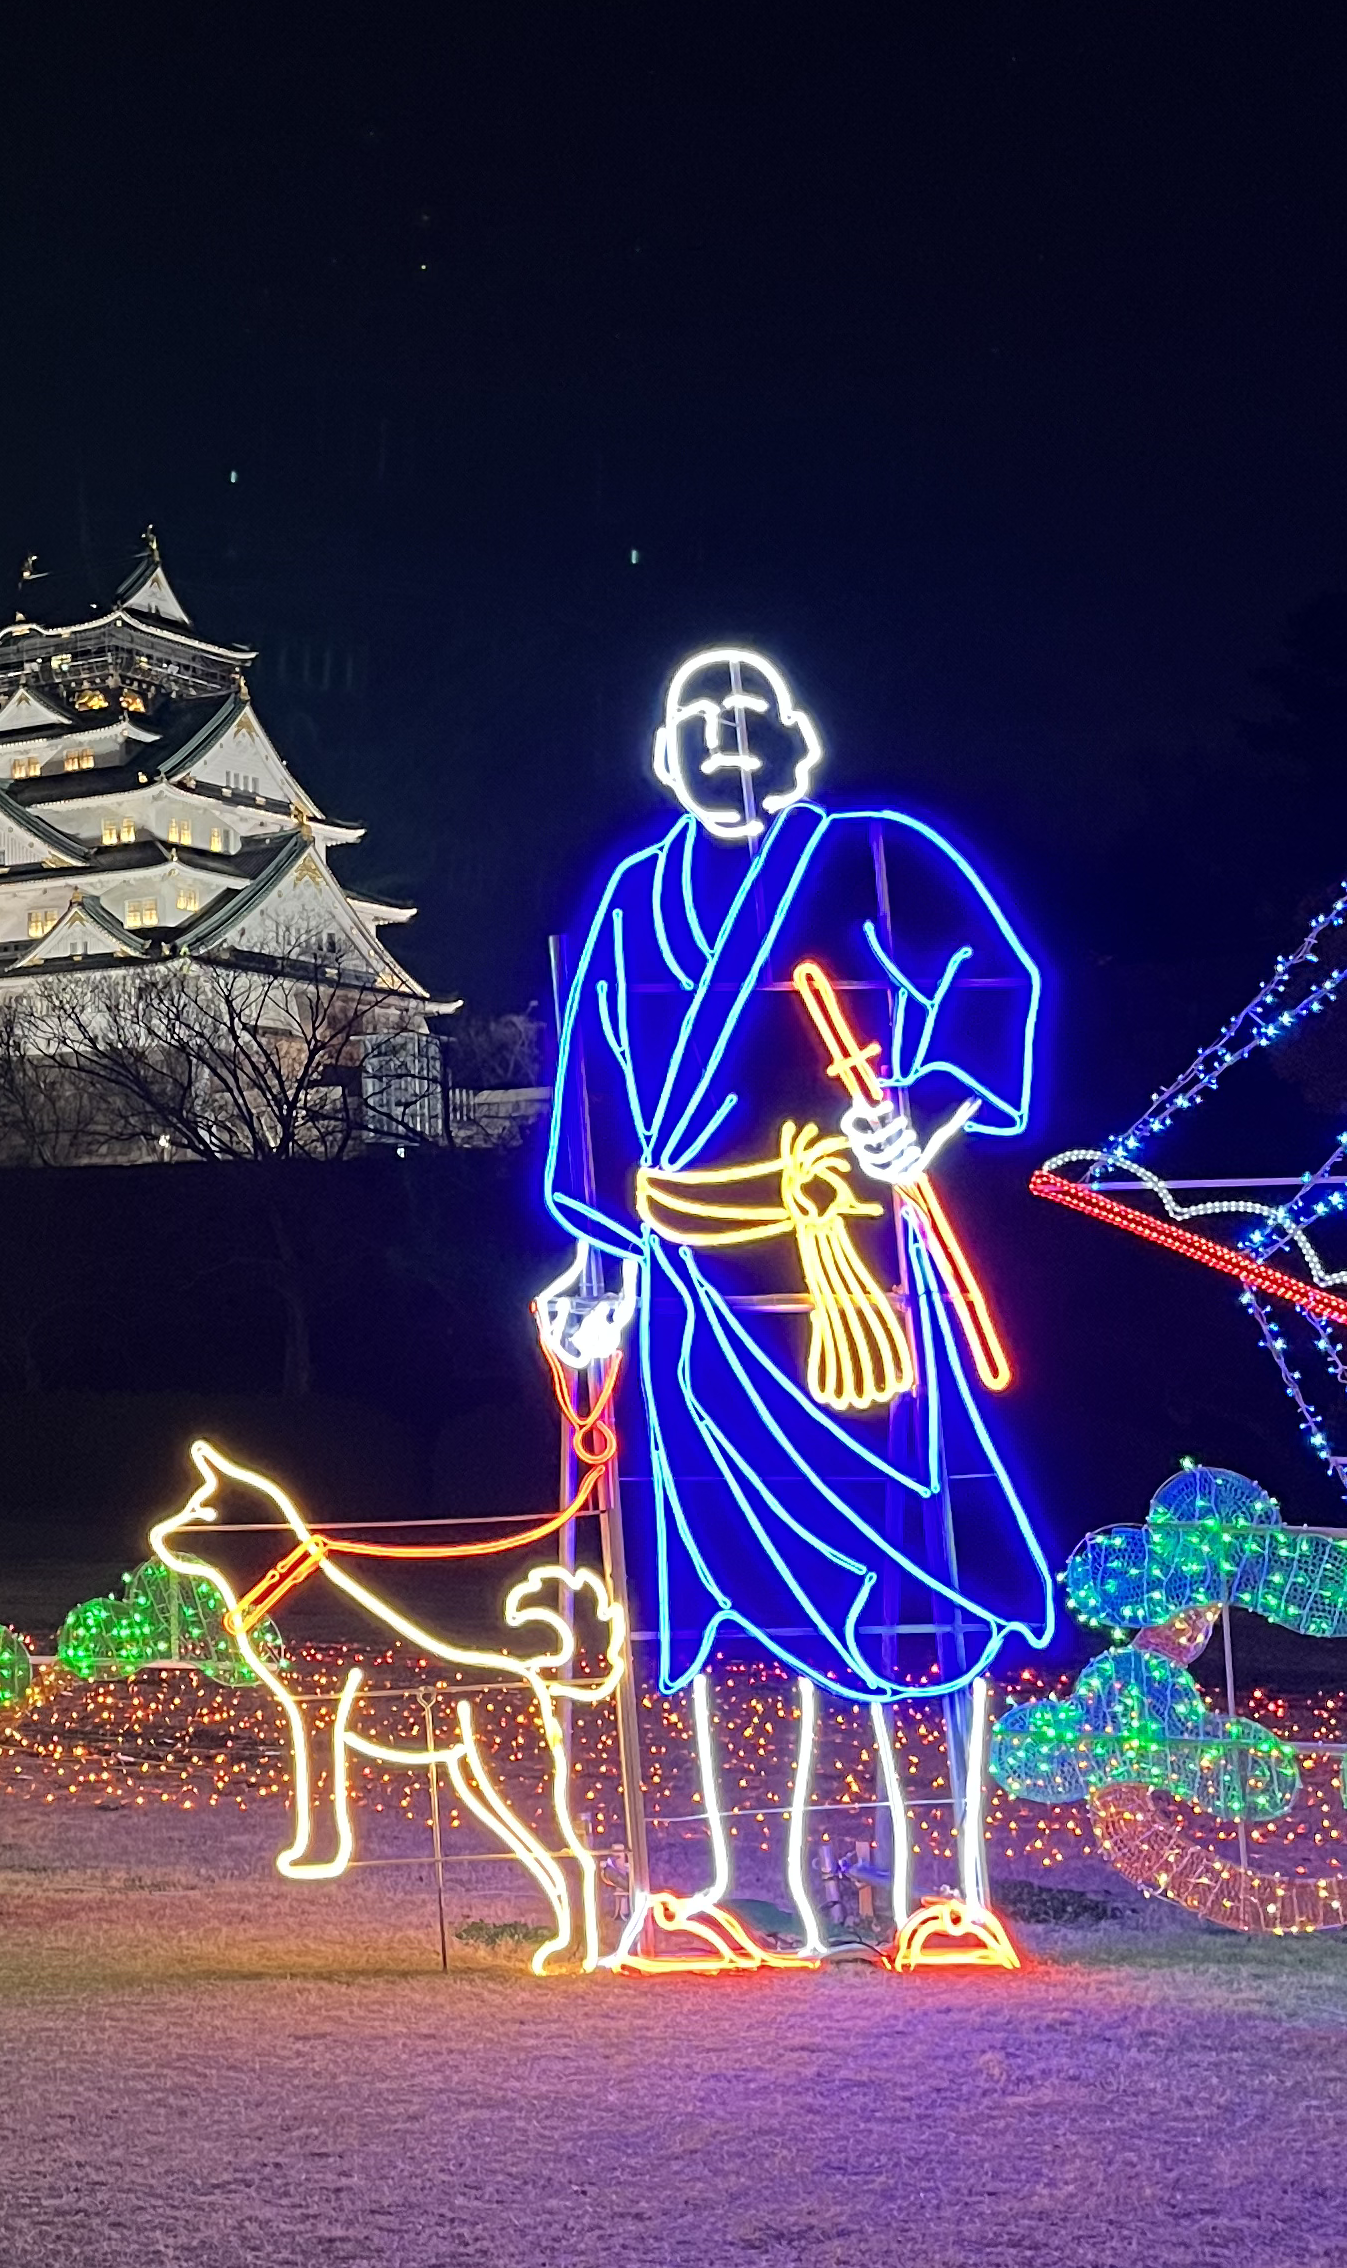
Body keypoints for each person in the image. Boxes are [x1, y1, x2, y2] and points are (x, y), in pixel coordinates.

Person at [535, 647, 1048, 1966]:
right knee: (712, 1590)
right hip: (698, 1306)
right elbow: (598, 1102)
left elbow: (994, 974)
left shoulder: (868, 856)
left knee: (903, 1574)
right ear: (665, 756)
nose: (723, 739)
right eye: (696, 722)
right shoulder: (634, 901)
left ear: (792, 739)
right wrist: (597, 1277)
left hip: (846, 1276)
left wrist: (925, 1111)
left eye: (746, 717)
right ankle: (728, 1887)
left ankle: (935, 1885)